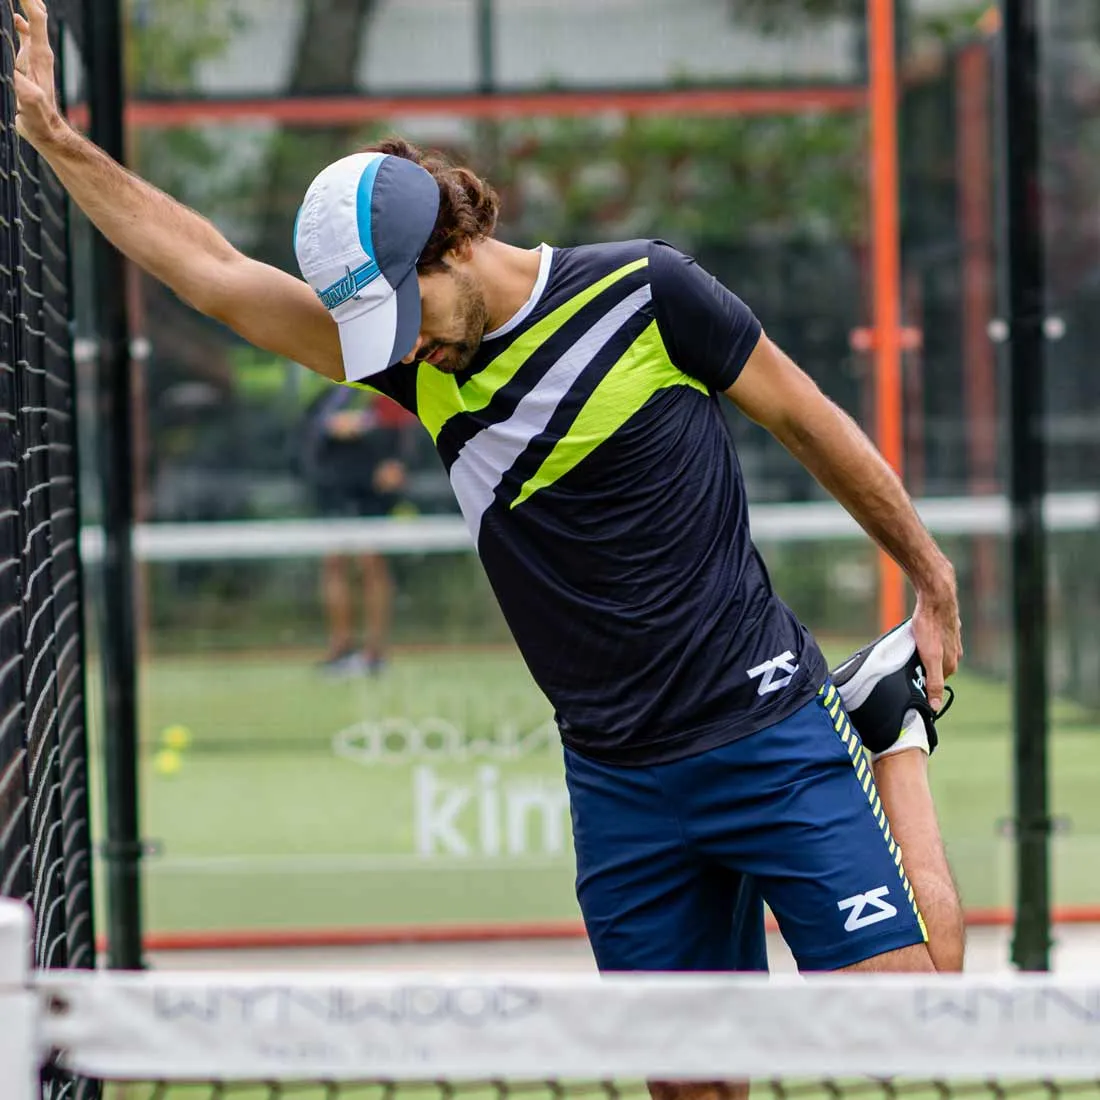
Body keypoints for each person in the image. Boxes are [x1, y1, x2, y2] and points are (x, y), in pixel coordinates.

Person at [13, 0, 964, 1030]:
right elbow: (215, 274)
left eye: (403, 310)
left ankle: (888, 729)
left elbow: (811, 421)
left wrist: (929, 574)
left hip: (763, 721)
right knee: (691, 1085)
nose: (400, 346)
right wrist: (58, 140)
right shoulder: (415, 368)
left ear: (456, 243)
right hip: (615, 776)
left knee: (905, 1023)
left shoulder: (647, 292)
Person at [297, 384, 413, 674]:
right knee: (334, 562)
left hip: (372, 490)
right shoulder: (328, 395)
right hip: (334, 488)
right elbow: (309, 432)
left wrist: (397, 462)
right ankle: (340, 650)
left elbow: (404, 427)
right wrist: (331, 428)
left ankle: (374, 653)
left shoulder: (385, 386)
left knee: (371, 562)